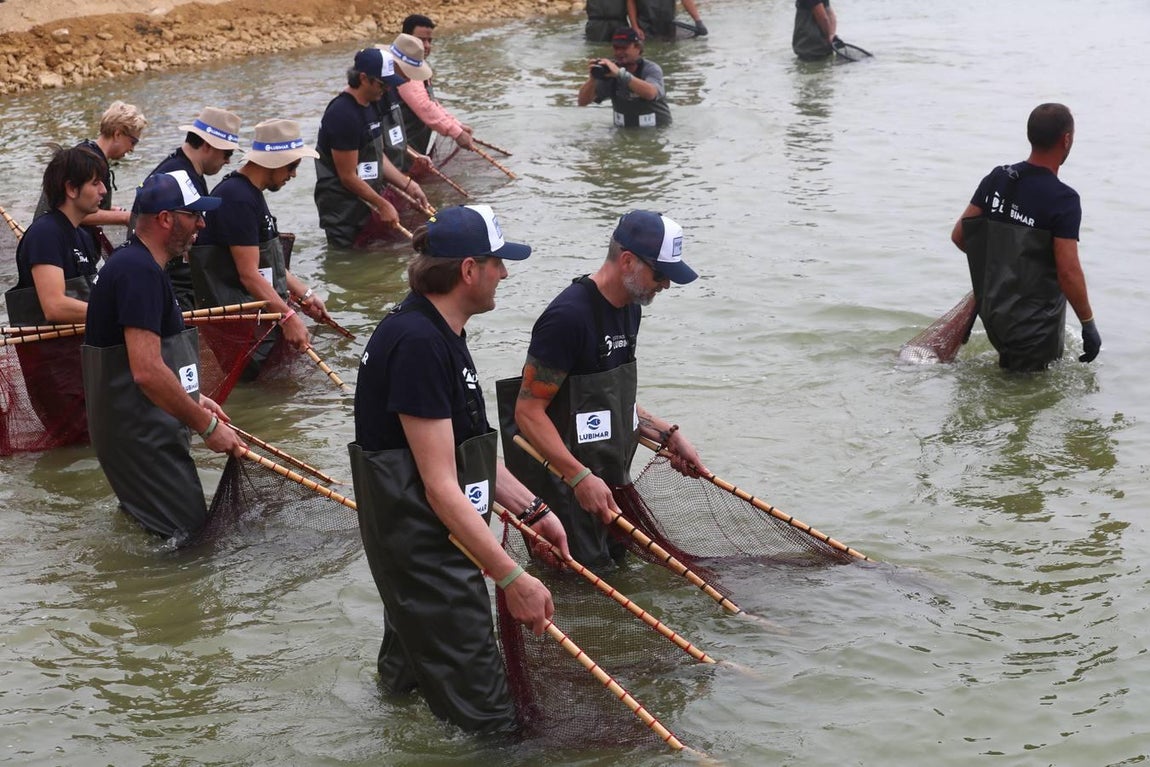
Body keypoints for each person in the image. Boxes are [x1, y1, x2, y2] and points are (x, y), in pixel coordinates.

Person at [350, 204, 570, 734]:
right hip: (428, 554)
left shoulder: (439, 331)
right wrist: (511, 576)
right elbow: (441, 486)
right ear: (469, 270)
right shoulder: (419, 344)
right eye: (498, 262)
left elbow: (460, 452)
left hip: (429, 546)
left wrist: (531, 507)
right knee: (493, 723)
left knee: (404, 691)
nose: (505, 273)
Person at [498, 210, 705, 568]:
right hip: (566, 491)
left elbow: (607, 400)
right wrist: (578, 478)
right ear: (627, 261)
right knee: (580, 592)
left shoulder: (630, 309)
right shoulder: (567, 318)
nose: (666, 285)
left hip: (609, 483)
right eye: (661, 274)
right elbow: (527, 413)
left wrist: (666, 433)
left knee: (619, 574)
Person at [82, 171, 245, 544]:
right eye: (194, 215)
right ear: (166, 219)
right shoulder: (138, 273)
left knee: (158, 536)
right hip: (144, 440)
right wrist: (206, 426)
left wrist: (194, 398)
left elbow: (141, 362)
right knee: (189, 546)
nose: (202, 223)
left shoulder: (138, 266)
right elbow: (146, 371)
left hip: (140, 432)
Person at [950, 103, 1100, 372]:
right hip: (1035, 331)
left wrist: (1002, 272)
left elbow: (961, 236)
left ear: (1030, 134)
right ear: (1066, 140)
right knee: (1027, 402)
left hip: (994, 316)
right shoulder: (1063, 200)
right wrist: (1088, 323)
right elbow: (1068, 271)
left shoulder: (997, 178)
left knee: (1003, 382)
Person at [189, 119, 331, 361]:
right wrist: (288, 317)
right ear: (277, 162)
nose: (294, 174)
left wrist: (305, 295)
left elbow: (269, 265)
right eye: (293, 166)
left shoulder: (250, 193)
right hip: (244, 328)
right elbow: (249, 274)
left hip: (262, 313)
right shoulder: (237, 198)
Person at [314, 47, 430, 249]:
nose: (387, 90)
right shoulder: (343, 115)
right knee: (350, 263)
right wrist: (383, 204)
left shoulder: (371, 104)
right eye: (383, 84)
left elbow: (377, 157)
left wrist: (408, 185)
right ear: (364, 78)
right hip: (344, 210)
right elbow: (348, 175)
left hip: (368, 201)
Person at [145, 107, 242, 309]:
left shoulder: (188, 171)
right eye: (227, 153)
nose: (228, 160)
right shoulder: (179, 177)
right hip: (171, 285)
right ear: (207, 145)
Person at [6, 146, 105, 325]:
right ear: (71, 189)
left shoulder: (82, 235)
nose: (104, 190)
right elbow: (54, 307)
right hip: (51, 349)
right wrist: (118, 314)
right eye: (95, 183)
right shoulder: (45, 234)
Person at [35, 100, 148, 251]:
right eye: (133, 142)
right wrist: (125, 217)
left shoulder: (87, 154)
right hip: (56, 242)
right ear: (118, 134)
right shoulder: (89, 161)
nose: (132, 149)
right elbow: (76, 211)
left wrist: (114, 211)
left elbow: (84, 202)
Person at [393, 24, 475, 155]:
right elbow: (424, 106)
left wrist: (456, 125)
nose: (426, 46)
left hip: (409, 145)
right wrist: (457, 133)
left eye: (429, 41)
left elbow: (431, 103)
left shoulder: (416, 67)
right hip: (400, 147)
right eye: (420, 40)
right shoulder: (403, 69)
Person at [577, 27, 672, 128]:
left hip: (655, 130)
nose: (619, 52)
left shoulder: (651, 69)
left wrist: (621, 74)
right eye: (616, 48)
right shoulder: (610, 72)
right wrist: (593, 79)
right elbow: (582, 102)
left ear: (638, 48)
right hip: (624, 130)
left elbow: (651, 93)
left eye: (624, 48)